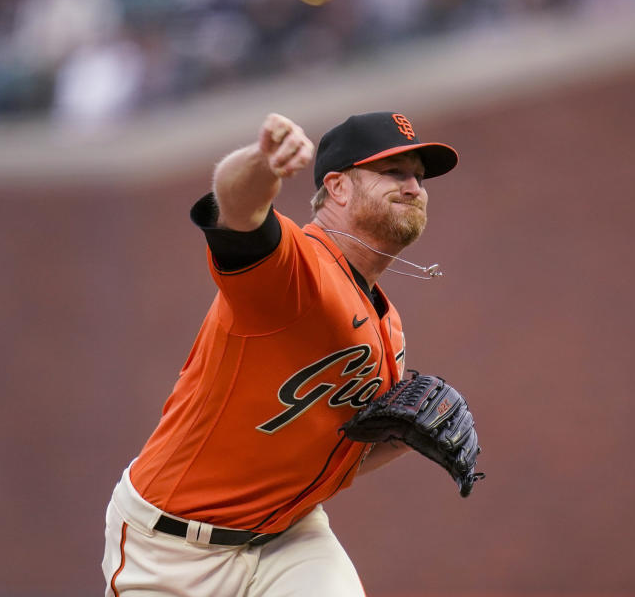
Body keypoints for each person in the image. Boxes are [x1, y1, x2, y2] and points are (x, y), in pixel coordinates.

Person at [102, 111, 460, 596]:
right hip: (172, 546)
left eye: (419, 176)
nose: (414, 186)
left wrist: (399, 437)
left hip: (288, 535)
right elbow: (237, 210)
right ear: (337, 187)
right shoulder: (296, 270)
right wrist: (262, 163)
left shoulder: (388, 328)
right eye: (393, 172)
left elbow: (332, 455)